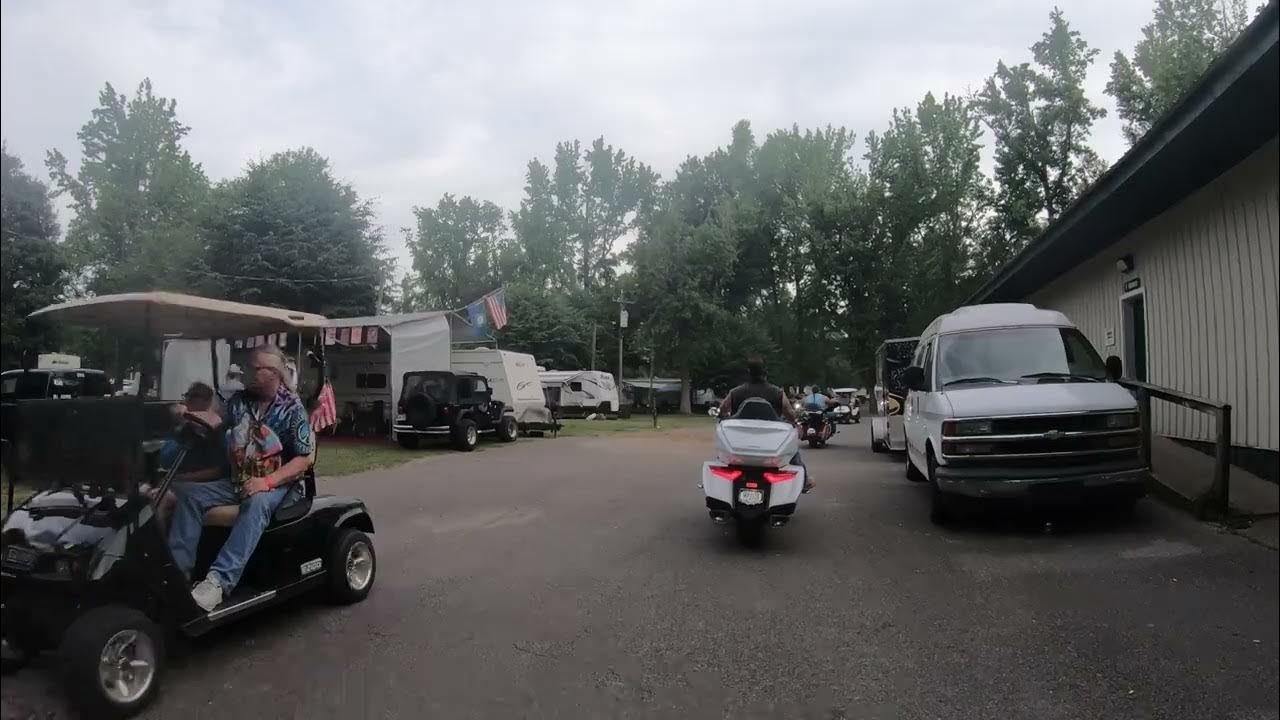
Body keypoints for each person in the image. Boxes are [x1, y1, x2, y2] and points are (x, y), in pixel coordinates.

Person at [166, 345, 315, 611]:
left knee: (256, 501)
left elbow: (305, 459)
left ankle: (219, 581)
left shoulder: (293, 409)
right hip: (240, 481)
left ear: (274, 373)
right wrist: (186, 413)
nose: (248, 374)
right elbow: (214, 419)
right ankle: (178, 573)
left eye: (255, 369)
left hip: (280, 484)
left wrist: (266, 483)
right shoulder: (240, 402)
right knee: (187, 493)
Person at [718, 356, 815, 493]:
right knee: (793, 453)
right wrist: (793, 422)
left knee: (722, 456)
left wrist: (725, 417)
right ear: (765, 372)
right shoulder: (777, 392)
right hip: (772, 442)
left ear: (748, 372)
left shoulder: (736, 392)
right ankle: (804, 482)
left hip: (739, 441)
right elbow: (789, 413)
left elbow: (723, 409)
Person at [145, 382, 230, 534]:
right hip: (173, 479)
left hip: (199, 485)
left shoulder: (217, 432)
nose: (186, 402)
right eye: (187, 396)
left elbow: (218, 471)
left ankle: (154, 549)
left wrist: (180, 478)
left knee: (162, 500)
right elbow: (165, 457)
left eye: (192, 397)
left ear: (206, 402)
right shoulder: (186, 429)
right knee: (143, 495)